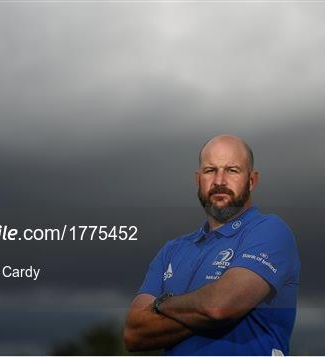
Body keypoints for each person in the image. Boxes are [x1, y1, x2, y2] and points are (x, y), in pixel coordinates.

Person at [123, 134, 300, 356]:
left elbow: (221, 306)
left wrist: (161, 305)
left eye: (232, 170)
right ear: (198, 180)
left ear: (252, 180)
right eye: (210, 170)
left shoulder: (270, 230)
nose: (219, 181)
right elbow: (134, 334)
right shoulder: (171, 250)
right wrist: (203, 310)